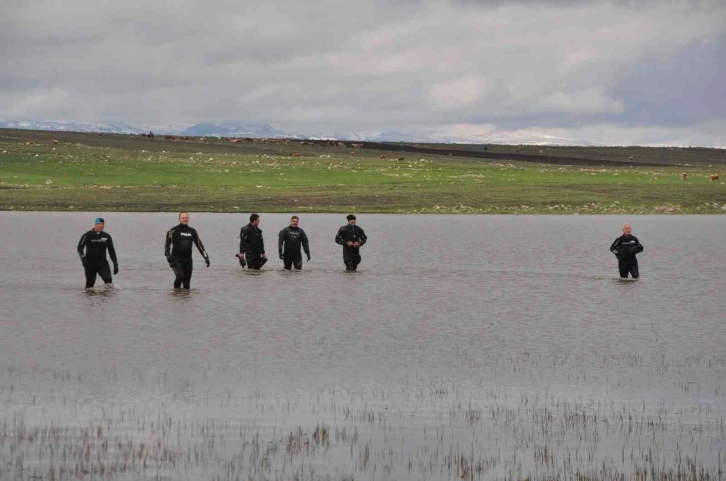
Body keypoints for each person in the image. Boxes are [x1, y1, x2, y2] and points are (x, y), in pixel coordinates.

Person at [164, 212, 210, 289]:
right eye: (183, 218)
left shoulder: (192, 231)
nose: (185, 219)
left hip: (188, 260)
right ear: (179, 219)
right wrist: (167, 254)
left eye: (186, 218)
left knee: (186, 285)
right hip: (176, 259)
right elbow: (167, 244)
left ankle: (183, 299)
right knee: (180, 276)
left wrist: (206, 257)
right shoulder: (173, 231)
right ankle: (175, 294)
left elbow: (199, 245)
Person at [77, 217, 119, 289]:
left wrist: (115, 264)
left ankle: (105, 299)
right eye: (99, 224)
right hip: (90, 264)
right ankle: (91, 299)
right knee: (89, 287)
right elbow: (80, 248)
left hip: (103, 264)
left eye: (102, 224)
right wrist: (83, 258)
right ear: (95, 224)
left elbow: (111, 251)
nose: (101, 225)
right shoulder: (87, 235)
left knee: (109, 282)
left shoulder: (107, 236)